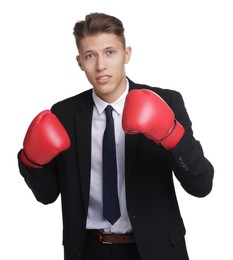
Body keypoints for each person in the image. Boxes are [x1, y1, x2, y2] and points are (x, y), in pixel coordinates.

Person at [17, 12, 214, 260]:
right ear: (80, 62)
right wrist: (31, 161)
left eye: (110, 52)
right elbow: (47, 195)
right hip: (88, 250)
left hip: (156, 250)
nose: (101, 66)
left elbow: (201, 184)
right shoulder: (64, 114)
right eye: (90, 56)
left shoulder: (167, 102)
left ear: (126, 53)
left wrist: (172, 135)